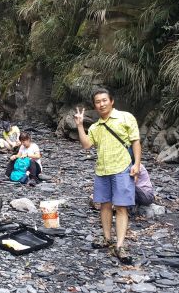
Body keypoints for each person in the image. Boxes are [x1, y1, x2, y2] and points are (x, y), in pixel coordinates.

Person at [75, 88, 141, 264]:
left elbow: (135, 141)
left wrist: (136, 164)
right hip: (102, 170)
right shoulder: (95, 127)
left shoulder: (125, 117)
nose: (101, 104)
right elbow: (87, 145)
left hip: (122, 168)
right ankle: (107, 238)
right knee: (104, 205)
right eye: (98, 102)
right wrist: (80, 125)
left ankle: (120, 245)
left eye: (104, 100)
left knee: (121, 207)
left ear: (111, 101)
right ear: (95, 106)